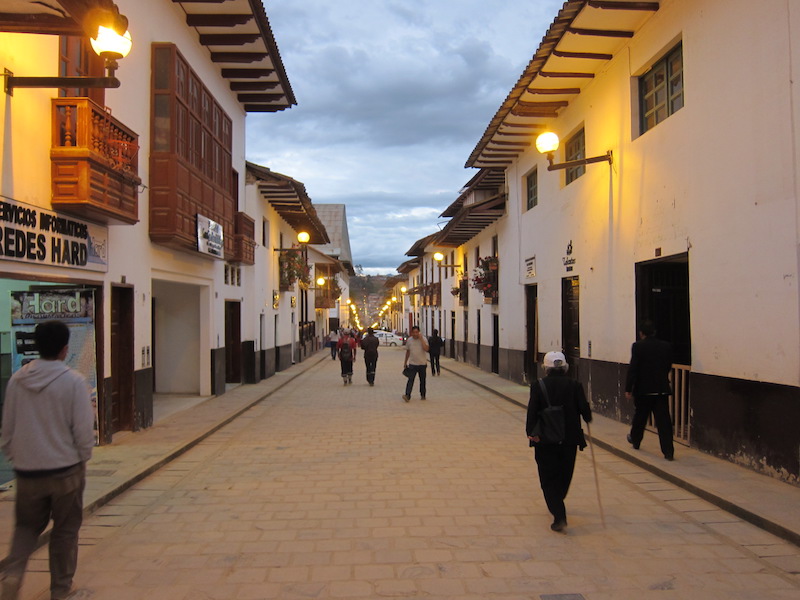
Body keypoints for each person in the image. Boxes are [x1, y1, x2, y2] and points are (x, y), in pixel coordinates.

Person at [0, 320, 95, 600]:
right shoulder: (74, 382)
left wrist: (15, 456)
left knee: (26, 528)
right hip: (65, 472)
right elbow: (83, 431)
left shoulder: (17, 380)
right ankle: (60, 590)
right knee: (65, 531)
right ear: (65, 349)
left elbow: (8, 427)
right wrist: (82, 460)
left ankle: (12, 575)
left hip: (28, 472)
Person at [526, 351, 592, 533]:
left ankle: (559, 514)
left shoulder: (538, 386)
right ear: (565, 367)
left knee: (548, 478)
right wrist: (585, 414)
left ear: (545, 368)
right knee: (565, 473)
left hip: (545, 439)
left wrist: (531, 433)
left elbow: (532, 411)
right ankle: (558, 500)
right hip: (569, 439)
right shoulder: (575, 385)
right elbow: (586, 413)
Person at [625, 320, 675, 460]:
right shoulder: (666, 346)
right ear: (654, 332)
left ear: (641, 333)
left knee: (640, 416)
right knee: (663, 421)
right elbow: (667, 365)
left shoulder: (637, 347)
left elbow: (633, 369)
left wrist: (629, 388)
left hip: (644, 389)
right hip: (661, 389)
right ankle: (668, 451)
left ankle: (635, 440)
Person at [402, 325, 429, 402]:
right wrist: (405, 362)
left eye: (416, 332)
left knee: (422, 380)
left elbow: (426, 349)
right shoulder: (409, 340)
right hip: (412, 364)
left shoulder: (424, 339)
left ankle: (423, 394)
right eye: (413, 332)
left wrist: (421, 340)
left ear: (419, 332)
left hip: (422, 363)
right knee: (410, 380)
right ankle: (407, 395)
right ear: (411, 333)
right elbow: (408, 351)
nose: (415, 334)